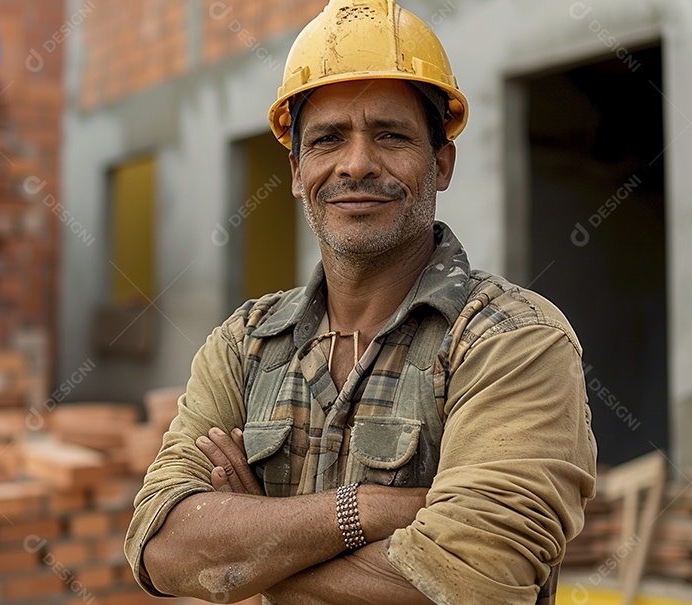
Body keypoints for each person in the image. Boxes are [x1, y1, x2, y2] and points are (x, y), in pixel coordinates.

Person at [123, 1, 597, 603]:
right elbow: (161, 547)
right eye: (327, 139)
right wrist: (365, 510)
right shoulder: (245, 345)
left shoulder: (511, 340)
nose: (357, 163)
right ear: (297, 170)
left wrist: (246, 554)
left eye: (391, 136)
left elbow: (478, 580)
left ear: (441, 162)